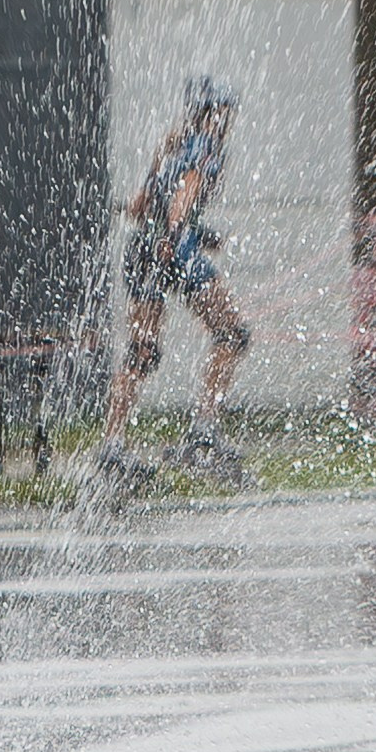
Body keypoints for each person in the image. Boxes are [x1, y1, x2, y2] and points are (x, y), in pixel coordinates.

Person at [97, 75, 251, 483]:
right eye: (224, 112)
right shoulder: (207, 146)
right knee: (233, 334)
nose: (228, 120)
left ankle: (112, 447)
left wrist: (195, 232)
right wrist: (177, 232)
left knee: (141, 353)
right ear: (212, 113)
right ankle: (203, 432)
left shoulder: (172, 144)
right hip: (172, 249)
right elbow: (184, 195)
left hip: (143, 248)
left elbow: (139, 205)